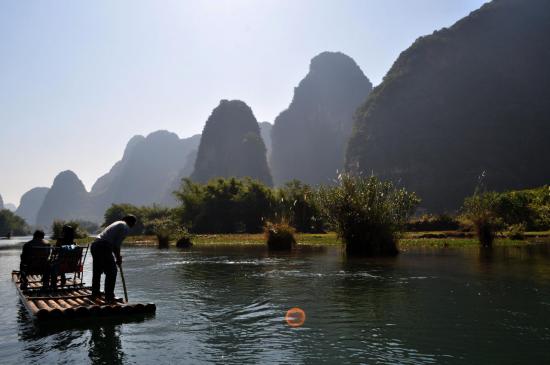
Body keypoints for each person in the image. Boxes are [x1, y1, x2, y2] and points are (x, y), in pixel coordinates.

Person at [91, 215, 136, 303]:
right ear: (131, 222)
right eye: (134, 224)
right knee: (112, 272)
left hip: (95, 245)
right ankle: (109, 297)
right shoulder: (125, 227)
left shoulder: (117, 223)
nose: (133, 226)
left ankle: (95, 292)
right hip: (103, 246)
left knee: (97, 270)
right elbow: (116, 245)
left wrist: (117, 256)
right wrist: (118, 258)